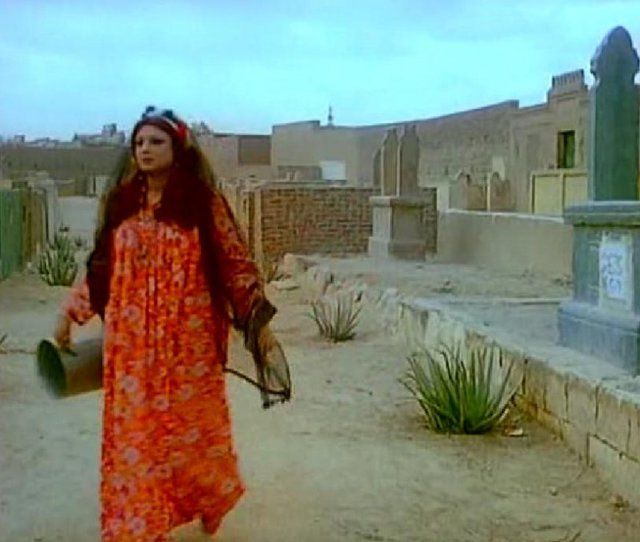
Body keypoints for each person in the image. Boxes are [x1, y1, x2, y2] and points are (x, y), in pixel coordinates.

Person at [54, 106, 291, 541]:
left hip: (188, 345)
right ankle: (141, 523)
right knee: (136, 435)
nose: (144, 149)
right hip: (131, 347)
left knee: (191, 432)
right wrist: (70, 313)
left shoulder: (202, 204)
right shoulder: (124, 204)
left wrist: (258, 321)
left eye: (155, 142)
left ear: (177, 148)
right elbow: (102, 267)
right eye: (139, 143)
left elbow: (235, 264)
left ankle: (207, 498)